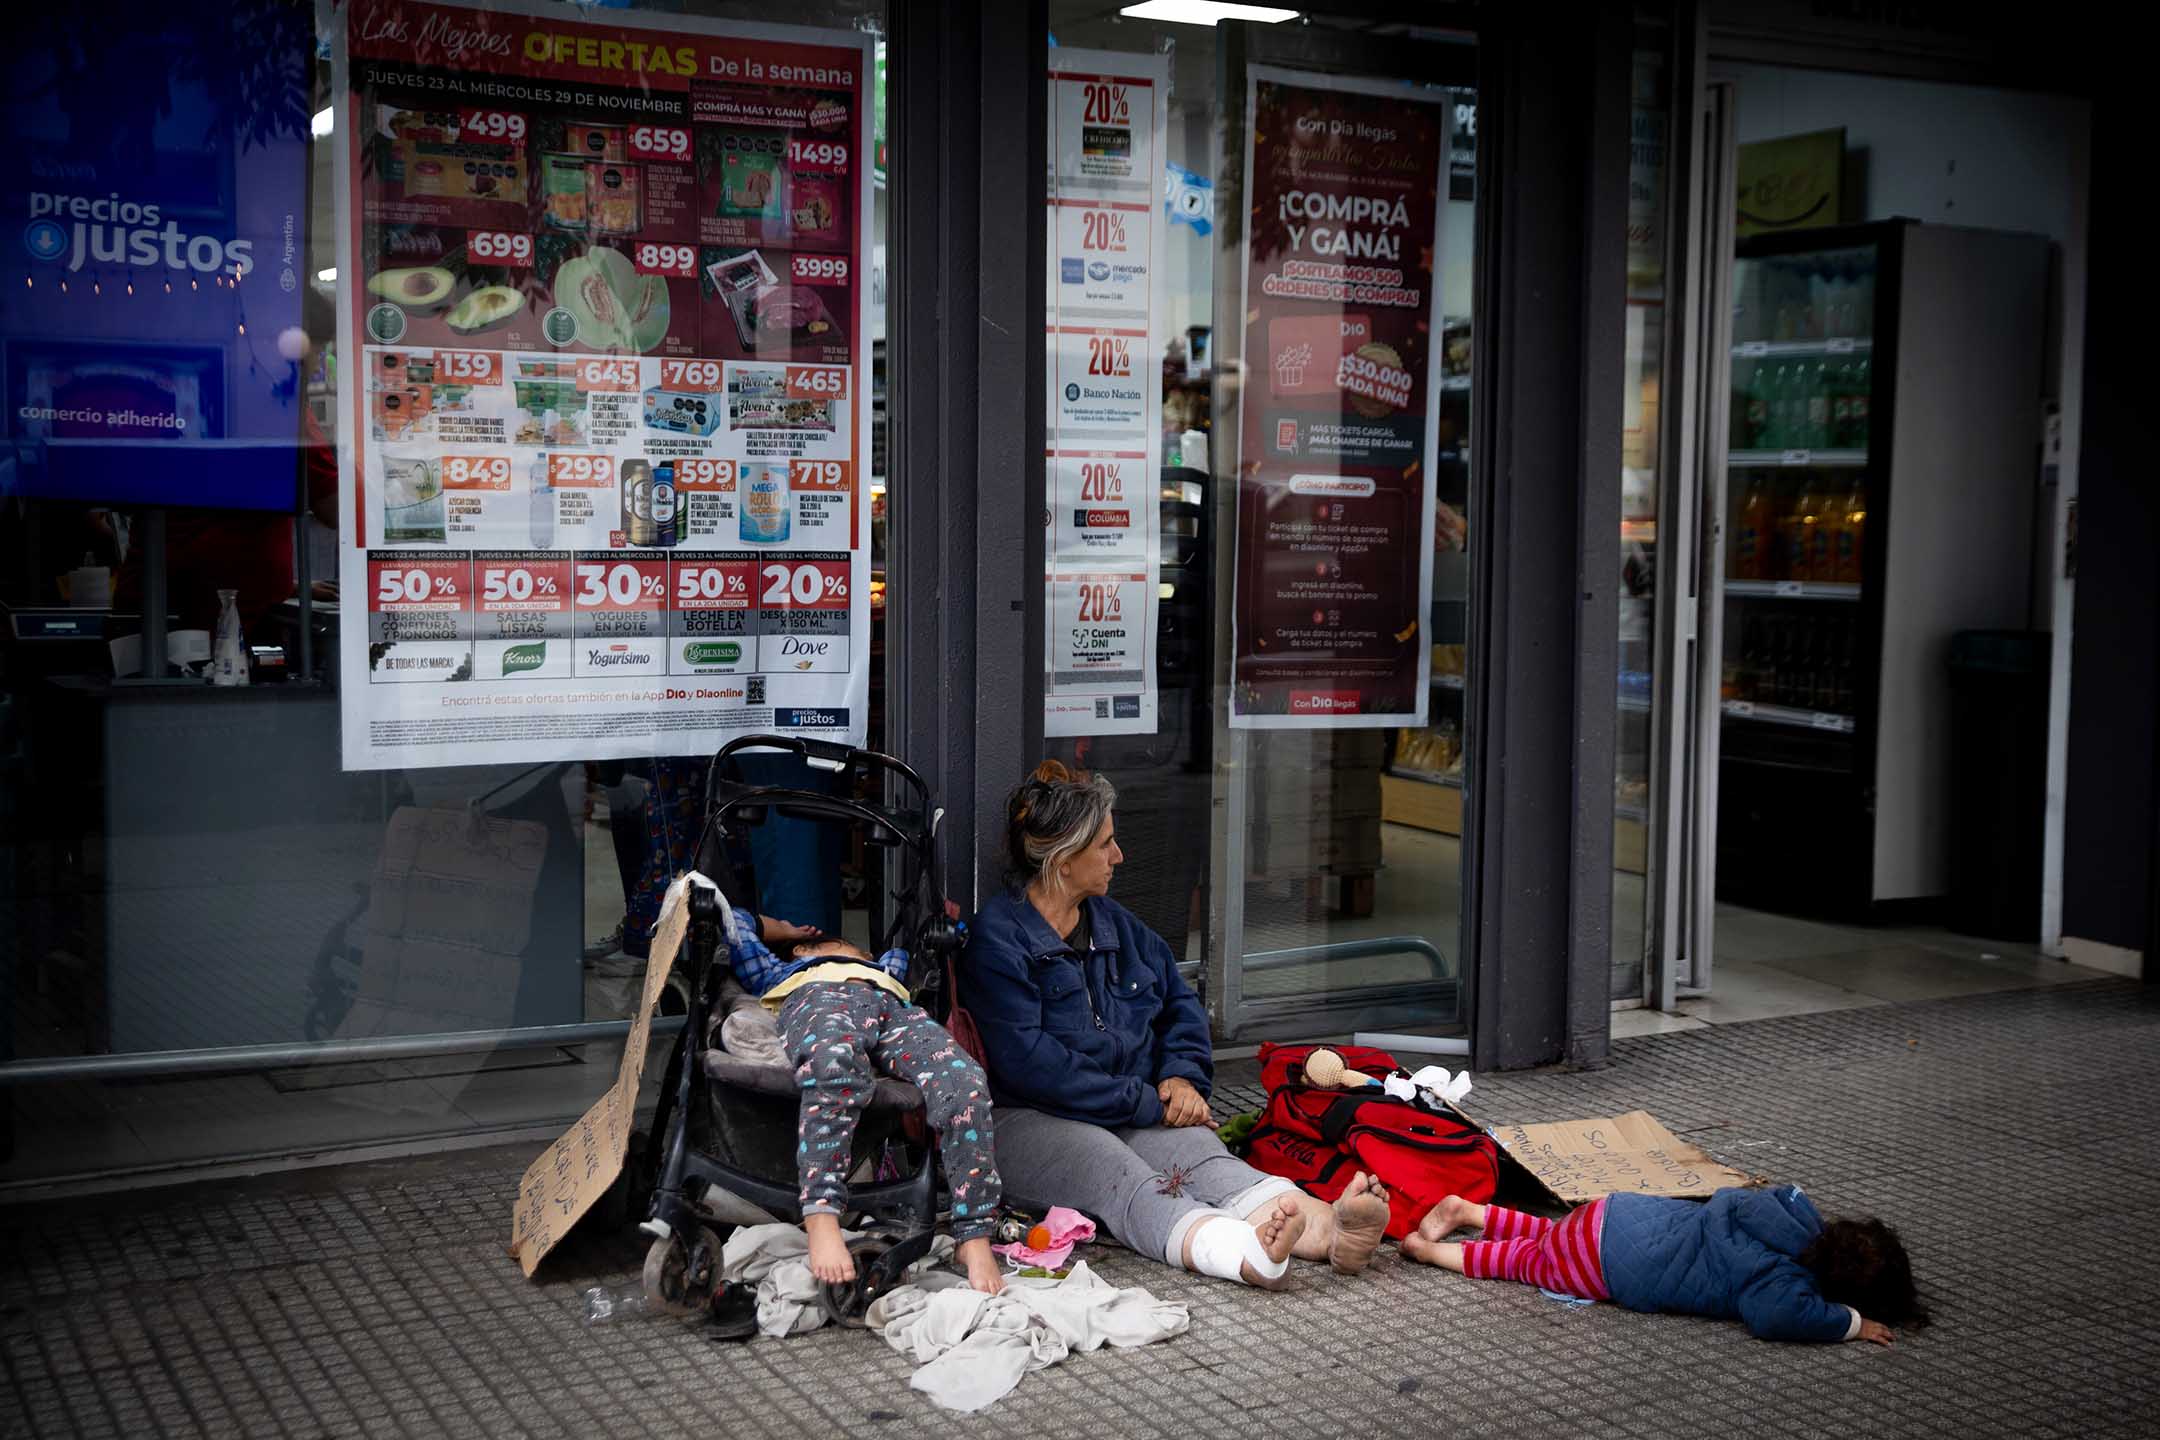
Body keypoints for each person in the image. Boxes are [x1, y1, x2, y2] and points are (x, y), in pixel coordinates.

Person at [962, 760, 1391, 1289]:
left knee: (1205, 1159)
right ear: (1064, 860)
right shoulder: (999, 940)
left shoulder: (1120, 928)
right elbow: (1031, 1066)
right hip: (1029, 1119)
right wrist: (1149, 1102)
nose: (1119, 857)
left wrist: (1182, 1077)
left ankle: (1331, 1231)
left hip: (1134, 1107)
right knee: (1120, 1175)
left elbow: (1180, 1008)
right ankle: (1241, 1255)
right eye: (1105, 844)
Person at [718, 895, 1004, 1295]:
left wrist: (941, 928)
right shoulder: (786, 969)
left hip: (895, 1011)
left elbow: (913, 950)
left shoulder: (885, 969)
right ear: (807, 950)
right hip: (822, 1002)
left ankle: (973, 1234)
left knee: (964, 1082)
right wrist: (785, 930)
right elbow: (735, 922)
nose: (865, 954)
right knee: (834, 1063)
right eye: (851, 947)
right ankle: (820, 1211)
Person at [1403, 1185, 1925, 1345]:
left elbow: (1754, 1196)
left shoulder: (1791, 1210)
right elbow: (1777, 1318)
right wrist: (1849, 1324)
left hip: (1618, 1213)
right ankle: (1428, 1250)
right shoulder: (1786, 1282)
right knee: (1524, 1262)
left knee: (1551, 1233)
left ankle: (1471, 1210)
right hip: (1610, 1264)